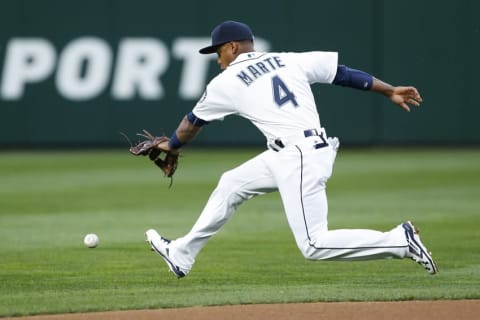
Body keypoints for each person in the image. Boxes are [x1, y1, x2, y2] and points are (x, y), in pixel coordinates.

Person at [145, 20, 438, 278]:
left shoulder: (226, 81)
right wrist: (388, 90)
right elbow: (343, 74)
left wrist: (171, 145)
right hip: (293, 151)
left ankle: (399, 241)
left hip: (297, 156)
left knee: (313, 244)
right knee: (231, 184)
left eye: (218, 51)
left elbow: (191, 124)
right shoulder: (288, 60)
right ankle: (182, 253)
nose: (218, 59)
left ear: (233, 47)